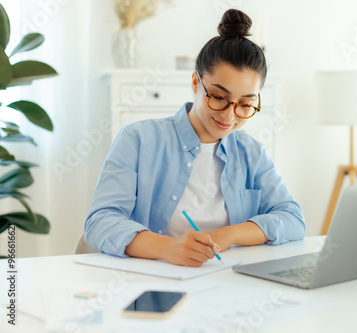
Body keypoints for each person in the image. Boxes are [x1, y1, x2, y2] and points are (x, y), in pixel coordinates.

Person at [84, 9, 305, 267]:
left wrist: (228, 235)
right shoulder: (138, 140)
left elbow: (292, 219)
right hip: (153, 283)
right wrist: (168, 248)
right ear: (195, 83)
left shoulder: (251, 153)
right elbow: (100, 221)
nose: (230, 115)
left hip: (227, 283)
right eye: (219, 97)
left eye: (245, 104)